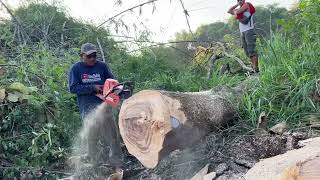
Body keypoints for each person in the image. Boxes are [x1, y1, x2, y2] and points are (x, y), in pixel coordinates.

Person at [68, 43, 123, 168]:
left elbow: (112, 83)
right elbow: (73, 88)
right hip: (88, 108)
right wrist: (93, 88)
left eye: (94, 55)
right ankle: (95, 163)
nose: (93, 58)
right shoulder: (76, 69)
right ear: (82, 56)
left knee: (112, 135)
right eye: (89, 56)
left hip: (105, 106)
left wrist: (116, 90)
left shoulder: (102, 66)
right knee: (92, 137)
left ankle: (117, 162)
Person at [228, 0, 259, 73]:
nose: (241, 1)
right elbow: (229, 11)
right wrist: (236, 5)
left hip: (249, 31)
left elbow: (238, 12)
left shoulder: (247, 5)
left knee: (252, 50)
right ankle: (253, 68)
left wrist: (235, 12)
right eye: (239, 0)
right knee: (247, 52)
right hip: (242, 32)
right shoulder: (239, 8)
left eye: (242, 0)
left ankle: (255, 68)